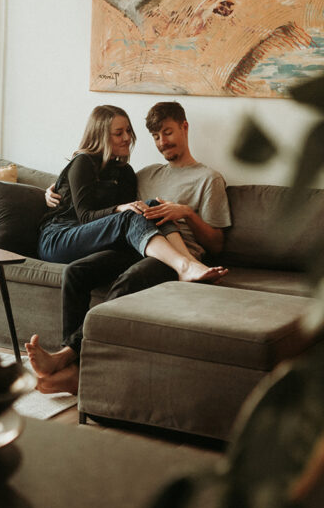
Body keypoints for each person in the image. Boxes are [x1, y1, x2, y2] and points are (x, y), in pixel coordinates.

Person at [26, 102, 229, 394]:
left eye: (168, 133)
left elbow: (217, 244)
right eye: (156, 137)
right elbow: (96, 204)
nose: (162, 142)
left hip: (177, 251)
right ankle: (72, 369)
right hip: (138, 244)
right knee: (76, 272)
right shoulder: (143, 174)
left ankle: (69, 358)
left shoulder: (209, 179)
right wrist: (53, 190)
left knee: (131, 277)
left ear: (185, 128)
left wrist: (186, 212)